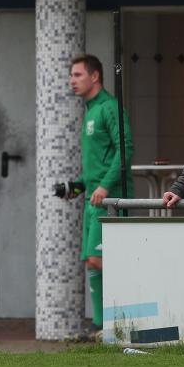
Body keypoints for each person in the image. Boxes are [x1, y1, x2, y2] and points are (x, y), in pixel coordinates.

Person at [67, 53, 133, 336]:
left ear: (95, 76)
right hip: (94, 198)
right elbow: (96, 165)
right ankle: (101, 326)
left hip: (110, 199)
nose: (72, 81)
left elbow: (125, 149)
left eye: (78, 75)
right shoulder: (90, 111)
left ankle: (114, 322)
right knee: (91, 261)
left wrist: (105, 185)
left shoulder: (109, 108)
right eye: (71, 75)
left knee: (101, 260)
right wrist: (76, 187)